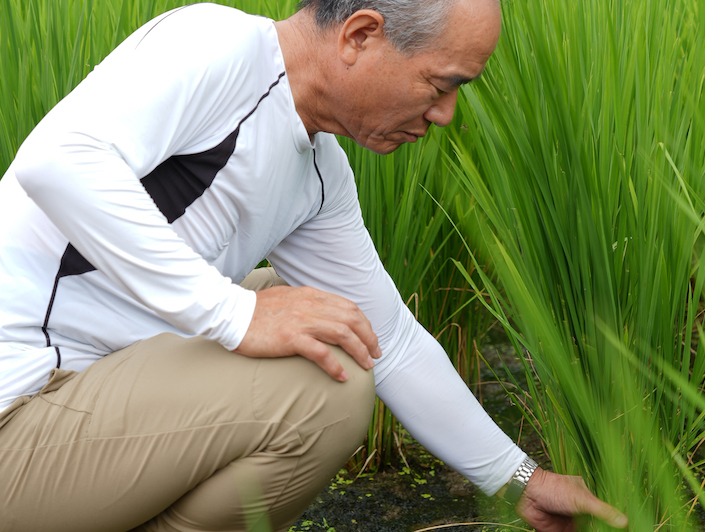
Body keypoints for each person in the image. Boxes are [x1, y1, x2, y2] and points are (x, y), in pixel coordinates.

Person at [0, 1, 629, 531]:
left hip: (90, 398)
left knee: (332, 322)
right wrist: (234, 313)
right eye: (440, 86)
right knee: (322, 386)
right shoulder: (218, 47)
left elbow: (392, 342)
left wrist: (519, 478)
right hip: (18, 411)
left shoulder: (318, 171)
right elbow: (59, 159)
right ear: (360, 35)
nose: (444, 115)